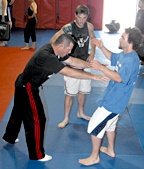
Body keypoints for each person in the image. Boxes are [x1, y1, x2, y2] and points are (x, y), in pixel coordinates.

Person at [2, 33, 105, 162]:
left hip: (22, 82)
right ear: (61, 45)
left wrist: (91, 66)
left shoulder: (54, 50)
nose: (70, 51)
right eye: (68, 49)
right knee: (37, 119)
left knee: (18, 111)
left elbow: (72, 61)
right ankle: (37, 154)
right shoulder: (47, 57)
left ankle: (9, 136)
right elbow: (69, 71)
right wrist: (94, 77)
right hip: (28, 87)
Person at [78, 27, 143, 166]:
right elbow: (112, 57)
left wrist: (101, 68)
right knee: (110, 126)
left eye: (123, 37)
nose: (120, 38)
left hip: (114, 102)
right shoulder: (125, 54)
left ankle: (94, 157)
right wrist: (101, 46)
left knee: (95, 125)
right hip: (113, 98)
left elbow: (119, 78)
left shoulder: (132, 60)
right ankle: (111, 150)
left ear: (130, 42)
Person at [51, 5, 96, 128]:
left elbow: (93, 40)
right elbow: (53, 40)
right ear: (75, 16)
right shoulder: (68, 27)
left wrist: (92, 53)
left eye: (84, 17)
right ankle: (65, 118)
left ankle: (81, 112)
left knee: (83, 91)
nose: (81, 20)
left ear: (87, 17)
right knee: (70, 94)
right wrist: (61, 54)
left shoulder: (89, 26)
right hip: (72, 64)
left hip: (85, 63)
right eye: (79, 17)